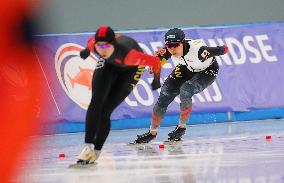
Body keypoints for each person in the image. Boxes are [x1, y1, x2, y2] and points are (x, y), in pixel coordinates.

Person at [74, 26, 161, 165]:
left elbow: (155, 62)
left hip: (131, 69)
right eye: (99, 45)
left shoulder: (131, 55)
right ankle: (87, 147)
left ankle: (97, 150)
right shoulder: (96, 46)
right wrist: (86, 50)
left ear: (113, 43)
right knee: (96, 102)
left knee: (105, 110)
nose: (102, 49)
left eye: (106, 46)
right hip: (109, 64)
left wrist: (156, 79)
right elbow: (91, 42)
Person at [133, 28, 228, 143]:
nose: (172, 48)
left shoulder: (199, 51)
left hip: (207, 71)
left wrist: (223, 48)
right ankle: (152, 132)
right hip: (186, 68)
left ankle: (181, 128)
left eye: (175, 45)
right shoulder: (168, 49)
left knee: (186, 90)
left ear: (182, 42)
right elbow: (160, 60)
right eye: (169, 45)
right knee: (164, 95)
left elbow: (221, 50)